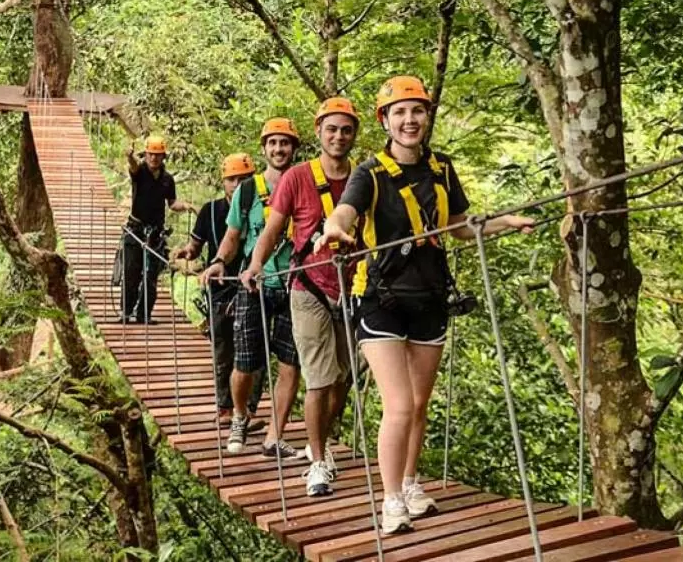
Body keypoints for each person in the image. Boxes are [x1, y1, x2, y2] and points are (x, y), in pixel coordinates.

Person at [316, 76, 534, 534]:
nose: (410, 119)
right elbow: (346, 212)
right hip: (379, 298)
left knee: (418, 404)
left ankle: (411, 484)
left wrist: (503, 222)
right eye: (400, 112)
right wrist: (335, 227)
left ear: (426, 116)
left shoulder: (442, 169)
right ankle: (390, 501)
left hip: (430, 296)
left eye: (417, 111)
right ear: (385, 121)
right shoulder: (370, 173)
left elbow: (456, 225)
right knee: (398, 405)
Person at [242, 98, 359, 497]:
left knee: (344, 377)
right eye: (332, 129)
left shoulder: (363, 178)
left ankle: (318, 441)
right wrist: (256, 263)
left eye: (346, 130)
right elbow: (273, 228)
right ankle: (319, 462)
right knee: (320, 378)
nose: (338, 136)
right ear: (319, 132)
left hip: (352, 289)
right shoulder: (296, 177)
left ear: (354, 134)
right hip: (307, 286)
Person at [200, 118, 304, 459]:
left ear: (294, 148)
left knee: (291, 364)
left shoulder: (305, 185)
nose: (279, 149)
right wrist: (217, 260)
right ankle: (240, 415)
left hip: (295, 285)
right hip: (253, 283)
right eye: (273, 143)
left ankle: (275, 435)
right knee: (244, 363)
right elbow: (234, 237)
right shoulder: (247, 191)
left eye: (285, 143)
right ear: (264, 148)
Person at [173, 153, 264, 427]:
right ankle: (226, 408)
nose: (237, 184)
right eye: (232, 179)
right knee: (224, 348)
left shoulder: (263, 207)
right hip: (221, 288)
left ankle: (247, 408)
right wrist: (188, 252)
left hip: (253, 285)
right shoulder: (210, 211)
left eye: (244, 179)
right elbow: (197, 244)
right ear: (223, 181)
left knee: (253, 350)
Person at [121, 135, 196, 324]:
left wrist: (186, 205)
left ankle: (144, 314)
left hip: (155, 233)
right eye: (150, 154)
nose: (154, 158)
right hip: (135, 230)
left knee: (151, 276)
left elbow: (171, 203)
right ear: (145, 155)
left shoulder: (167, 179)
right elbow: (133, 166)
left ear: (163, 156)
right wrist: (129, 156)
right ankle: (126, 312)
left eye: (157, 155)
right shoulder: (140, 172)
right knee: (131, 271)